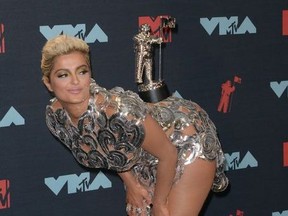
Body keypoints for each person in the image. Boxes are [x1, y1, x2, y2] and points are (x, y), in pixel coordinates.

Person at [41, 35, 228, 216]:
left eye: (82, 71)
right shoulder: (56, 117)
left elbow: (168, 153)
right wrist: (132, 185)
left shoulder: (117, 111)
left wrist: (160, 204)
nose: (75, 81)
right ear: (48, 83)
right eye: (63, 75)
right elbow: (109, 149)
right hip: (142, 156)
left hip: (185, 140)